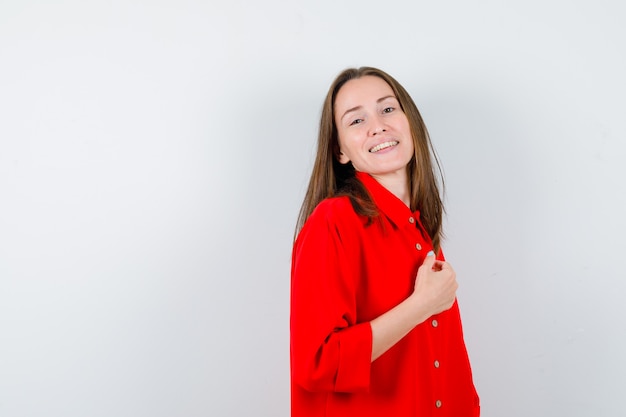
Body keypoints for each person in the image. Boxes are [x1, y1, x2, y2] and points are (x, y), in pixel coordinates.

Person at [290, 67, 480, 416]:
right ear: (340, 150)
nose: (377, 125)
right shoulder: (332, 223)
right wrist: (421, 304)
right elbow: (318, 363)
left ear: (410, 123)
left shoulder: (421, 229)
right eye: (356, 120)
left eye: (388, 109)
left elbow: (444, 363)